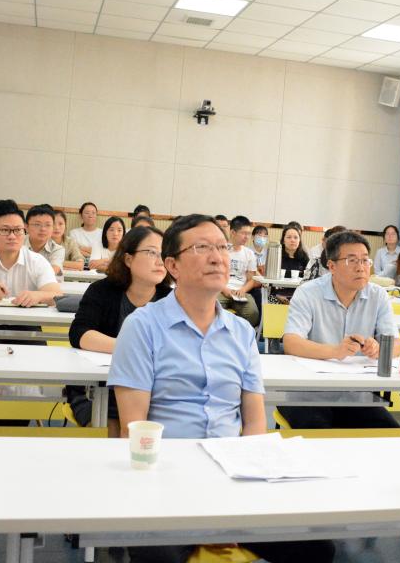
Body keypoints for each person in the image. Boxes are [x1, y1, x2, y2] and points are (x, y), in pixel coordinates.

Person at [109, 214, 335, 563]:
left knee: (317, 547)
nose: (217, 257)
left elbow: (255, 423)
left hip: (233, 475)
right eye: (202, 248)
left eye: (222, 247)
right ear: (172, 265)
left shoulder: (241, 332)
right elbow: (133, 429)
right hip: (168, 478)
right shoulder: (142, 327)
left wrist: (247, 489)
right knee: (162, 555)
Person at [281, 230, 400, 429]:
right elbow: (291, 343)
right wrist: (335, 351)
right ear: (332, 266)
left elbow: (396, 344)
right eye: (352, 260)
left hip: (355, 393)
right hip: (307, 391)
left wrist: (379, 349)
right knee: (318, 434)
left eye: (365, 260)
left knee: (391, 434)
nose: (361, 267)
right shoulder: (308, 293)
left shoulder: (378, 295)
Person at [68, 225, 171, 435]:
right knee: (121, 433)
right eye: (152, 252)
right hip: (98, 389)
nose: (160, 261)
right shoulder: (102, 290)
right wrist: (130, 348)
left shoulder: (170, 299)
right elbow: (79, 333)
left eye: (164, 254)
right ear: (128, 259)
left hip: (155, 391)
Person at [218, 215, 260, 326]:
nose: (247, 237)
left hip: (240, 293)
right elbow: (213, 275)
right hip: (220, 290)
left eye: (248, 234)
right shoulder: (220, 250)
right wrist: (224, 289)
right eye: (244, 233)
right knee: (210, 309)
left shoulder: (249, 253)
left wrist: (243, 290)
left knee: (253, 313)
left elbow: (251, 279)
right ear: (233, 232)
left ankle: (239, 334)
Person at [270, 223, 309, 304]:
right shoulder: (277, 255)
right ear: (283, 240)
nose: (292, 240)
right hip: (277, 295)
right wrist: (277, 295)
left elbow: (308, 281)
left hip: (298, 297)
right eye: (289, 237)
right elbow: (270, 281)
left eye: (296, 237)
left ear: (299, 240)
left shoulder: (304, 258)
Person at [24, 205, 65, 276]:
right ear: (26, 227)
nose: (43, 229)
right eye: (37, 224)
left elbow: (52, 271)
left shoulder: (57, 249)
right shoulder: (16, 243)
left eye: (48, 225)